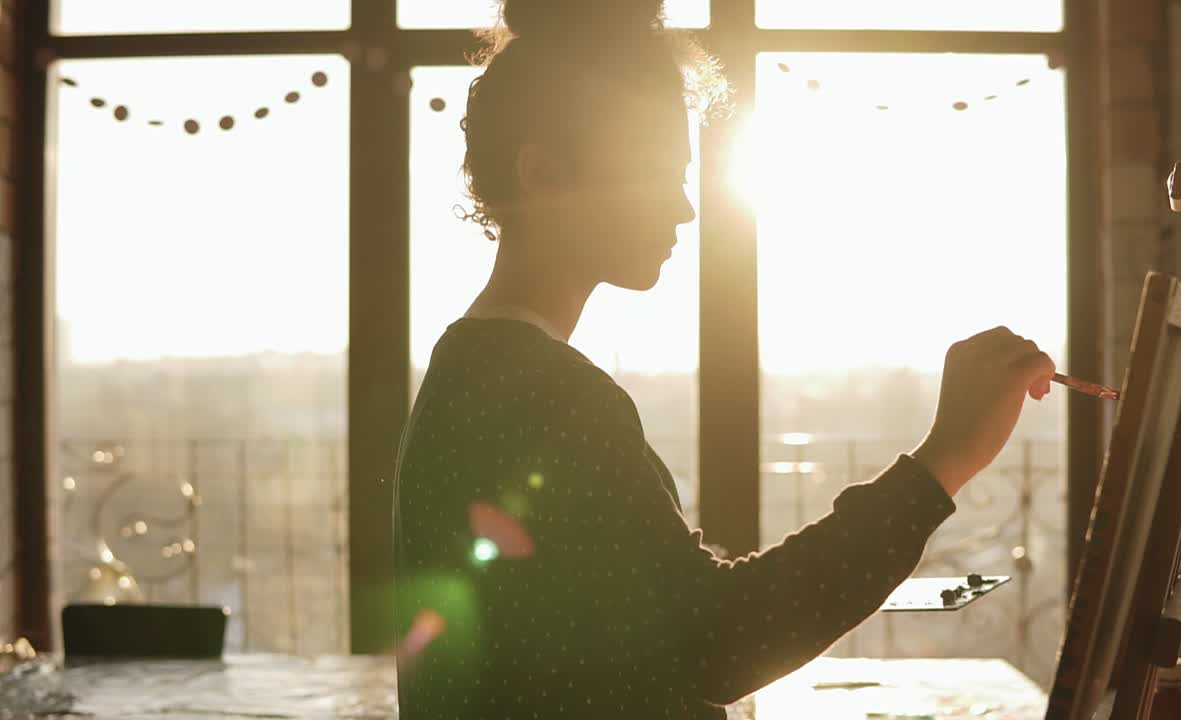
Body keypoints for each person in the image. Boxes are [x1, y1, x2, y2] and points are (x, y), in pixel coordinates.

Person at [391, 1, 1057, 718]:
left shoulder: (480, 369)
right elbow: (717, 641)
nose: (683, 209)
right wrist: (942, 463)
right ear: (544, 175)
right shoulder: (546, 394)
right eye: (655, 173)